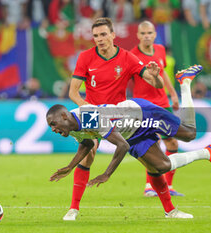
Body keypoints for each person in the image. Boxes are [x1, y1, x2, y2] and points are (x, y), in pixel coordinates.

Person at [47, 65, 211, 219]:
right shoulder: (71, 127)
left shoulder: (89, 117)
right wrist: (69, 167)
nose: (54, 129)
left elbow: (122, 145)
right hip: (131, 133)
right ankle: (206, 155)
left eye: (54, 124)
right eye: (51, 127)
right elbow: (86, 144)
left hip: (142, 115)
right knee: (160, 167)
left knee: (190, 134)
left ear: (64, 116)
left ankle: (185, 83)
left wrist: (107, 174)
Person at [65, 17, 164, 221]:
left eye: (103, 35)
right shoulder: (85, 57)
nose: (99, 39)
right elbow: (73, 93)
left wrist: (156, 75)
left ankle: (170, 210)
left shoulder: (127, 58)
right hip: (93, 112)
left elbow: (157, 85)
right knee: (88, 152)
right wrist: (90, 110)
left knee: (151, 161)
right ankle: (73, 208)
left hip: (120, 116)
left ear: (112, 35)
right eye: (95, 36)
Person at [130, 21, 182, 197]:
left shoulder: (160, 49)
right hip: (144, 106)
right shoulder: (132, 56)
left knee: (172, 143)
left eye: (149, 32)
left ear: (154, 34)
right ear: (138, 35)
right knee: (153, 144)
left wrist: (173, 94)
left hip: (163, 102)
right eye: (143, 33)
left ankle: (169, 185)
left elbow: (163, 73)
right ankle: (149, 186)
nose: (146, 36)